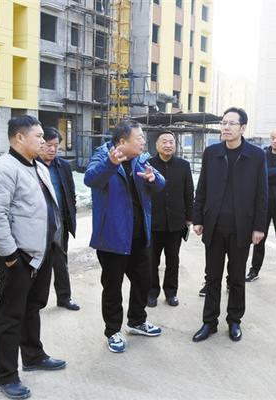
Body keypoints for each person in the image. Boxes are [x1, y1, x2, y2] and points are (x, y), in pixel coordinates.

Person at [0, 115, 67, 399]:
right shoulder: (3, 169)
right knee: (10, 316)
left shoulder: (38, 167)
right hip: (17, 258)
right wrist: (10, 257)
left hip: (41, 253)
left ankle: (33, 355)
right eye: (38, 136)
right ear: (19, 137)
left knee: (33, 307)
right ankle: (6, 376)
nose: (44, 141)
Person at [84, 120, 165, 354]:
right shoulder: (103, 156)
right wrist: (111, 164)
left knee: (143, 281)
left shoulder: (141, 159)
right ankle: (112, 331)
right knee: (112, 287)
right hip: (113, 237)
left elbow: (160, 183)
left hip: (139, 236)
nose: (143, 142)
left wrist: (154, 179)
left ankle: (137, 321)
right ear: (122, 141)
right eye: (139, 138)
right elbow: (90, 179)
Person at [191, 107, 267, 343]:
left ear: (243, 128)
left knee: (236, 278)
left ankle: (234, 320)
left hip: (241, 228)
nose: (226, 127)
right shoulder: (212, 152)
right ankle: (209, 322)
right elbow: (202, 187)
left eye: (232, 123)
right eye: (224, 123)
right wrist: (198, 218)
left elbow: (262, 194)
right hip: (214, 226)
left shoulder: (256, 155)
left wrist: (259, 227)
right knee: (212, 277)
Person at [148, 130, 194, 307]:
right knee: (152, 260)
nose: (168, 145)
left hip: (176, 222)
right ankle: (151, 292)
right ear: (157, 145)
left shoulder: (183, 165)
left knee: (173, 260)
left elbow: (189, 192)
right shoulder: (148, 165)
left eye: (171, 142)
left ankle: (171, 292)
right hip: (154, 223)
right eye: (164, 142)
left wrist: (189, 217)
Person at [246, 128, 276, 284]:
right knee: (259, 237)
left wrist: (269, 174)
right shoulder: (263, 155)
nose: (274, 141)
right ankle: (254, 270)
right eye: (272, 137)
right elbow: (257, 175)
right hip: (263, 203)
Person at [38, 127, 80, 311]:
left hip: (60, 222)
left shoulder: (63, 166)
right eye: (49, 145)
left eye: (56, 146)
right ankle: (36, 301)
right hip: (39, 224)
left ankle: (64, 297)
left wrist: (71, 214)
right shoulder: (33, 166)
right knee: (40, 264)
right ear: (40, 144)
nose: (53, 149)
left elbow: (71, 193)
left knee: (61, 262)